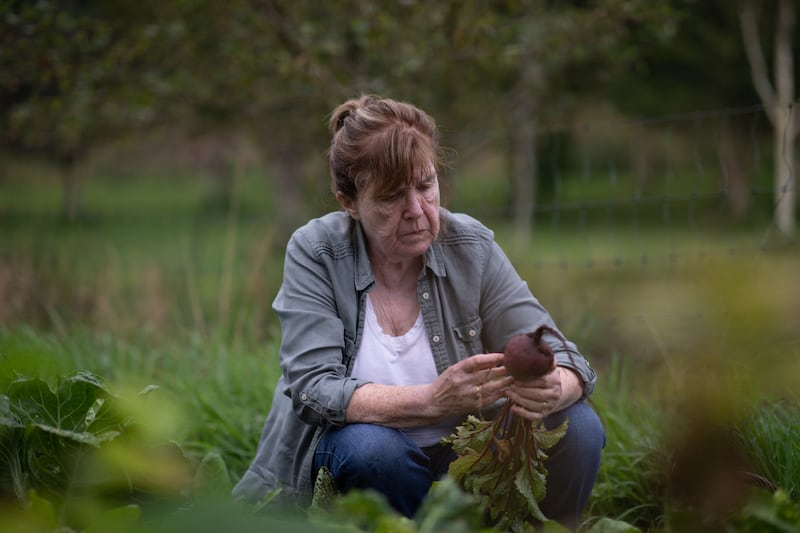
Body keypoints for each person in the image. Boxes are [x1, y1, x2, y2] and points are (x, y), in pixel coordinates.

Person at [233, 95, 605, 530]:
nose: (416, 211)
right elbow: (313, 387)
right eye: (392, 196)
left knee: (578, 427)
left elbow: (570, 361)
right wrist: (431, 401)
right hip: (366, 457)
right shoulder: (317, 251)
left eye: (425, 186)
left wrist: (555, 388)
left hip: (469, 453)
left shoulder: (470, 245)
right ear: (348, 202)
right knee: (376, 451)